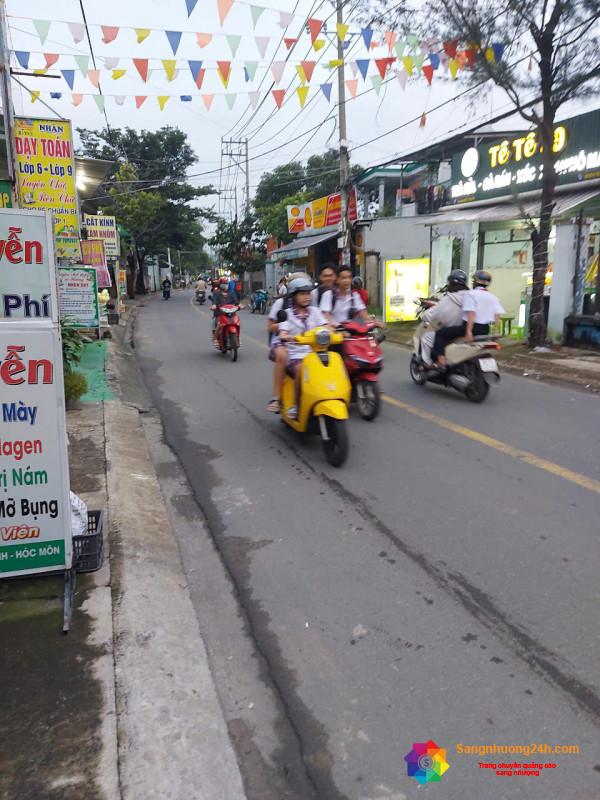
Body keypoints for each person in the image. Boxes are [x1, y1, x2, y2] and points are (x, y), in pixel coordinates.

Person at [272, 278, 329, 419]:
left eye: (308, 293)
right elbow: (283, 331)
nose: (306, 297)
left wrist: (334, 332)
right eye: (302, 294)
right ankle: (296, 406)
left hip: (313, 353)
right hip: (294, 354)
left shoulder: (315, 312)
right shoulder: (287, 314)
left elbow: (326, 326)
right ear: (294, 296)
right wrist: (286, 336)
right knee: (300, 369)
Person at [431, 270, 505, 367]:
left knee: (440, 333)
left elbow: (471, 313)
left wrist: (468, 331)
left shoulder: (471, 294)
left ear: (475, 281)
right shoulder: (493, 297)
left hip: (469, 327)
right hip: (485, 329)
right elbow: (497, 315)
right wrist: (495, 331)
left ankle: (441, 360)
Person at [419, 270, 469, 367]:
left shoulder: (449, 298)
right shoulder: (470, 296)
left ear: (451, 283)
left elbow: (434, 313)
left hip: (452, 330)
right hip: (468, 329)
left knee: (427, 338)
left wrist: (424, 317)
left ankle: (428, 363)